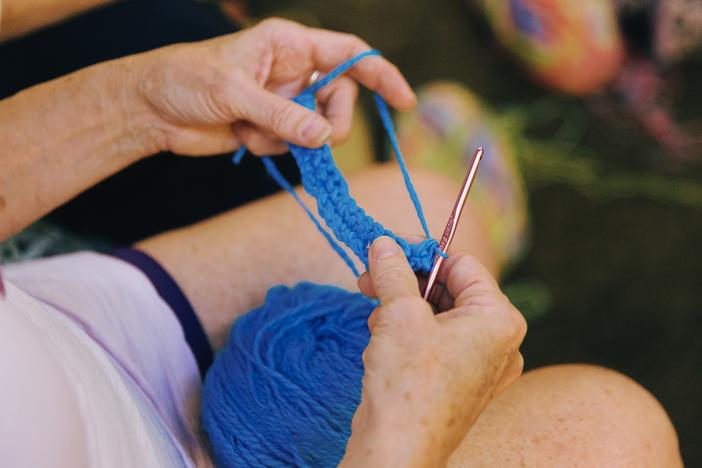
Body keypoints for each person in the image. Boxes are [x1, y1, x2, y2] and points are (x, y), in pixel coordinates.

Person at [0, 6, 682, 468]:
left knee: (436, 212)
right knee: (618, 425)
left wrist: (138, 104)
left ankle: (464, 216)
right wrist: (404, 440)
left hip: (78, 330)